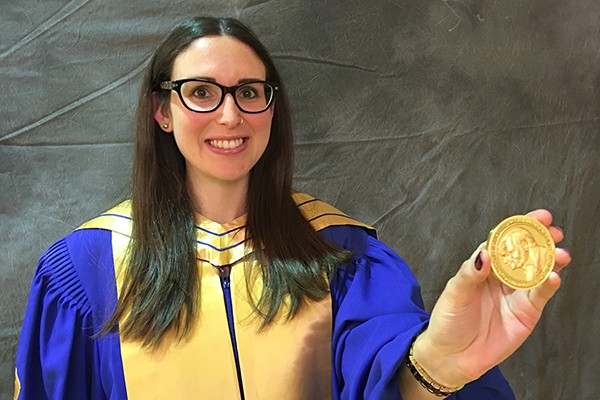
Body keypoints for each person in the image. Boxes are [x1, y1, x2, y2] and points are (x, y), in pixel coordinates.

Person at [14, 16, 571, 400]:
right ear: (162, 111)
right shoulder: (85, 272)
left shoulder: (343, 255)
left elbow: (390, 382)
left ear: (271, 109)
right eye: (201, 92)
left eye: (250, 92)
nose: (231, 116)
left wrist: (440, 365)